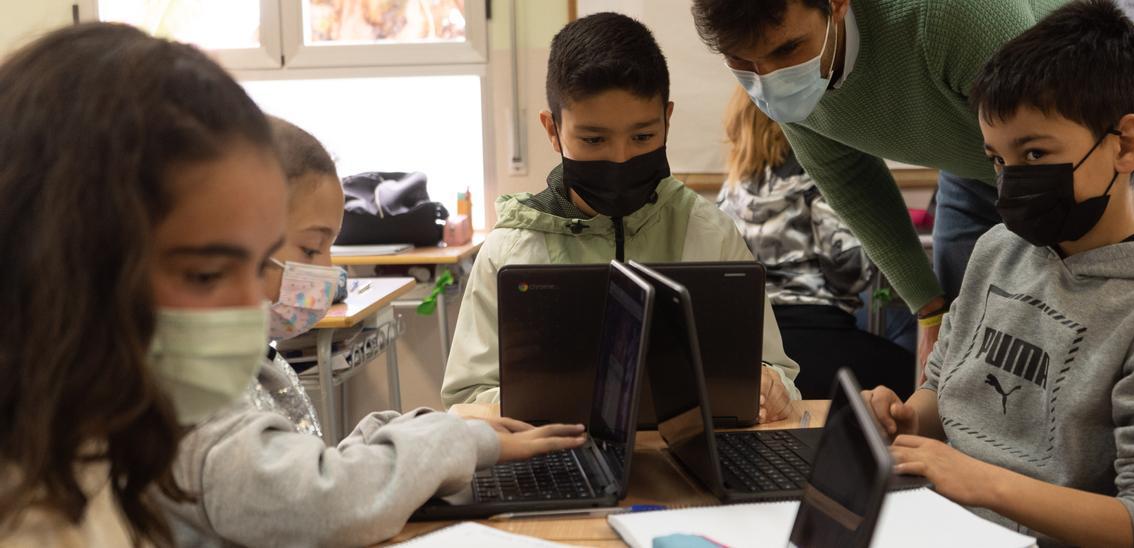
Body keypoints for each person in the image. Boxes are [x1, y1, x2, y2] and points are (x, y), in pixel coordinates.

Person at [861, 3, 1134, 546]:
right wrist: (904, 420)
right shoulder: (997, 251)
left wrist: (984, 482)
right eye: (998, 160)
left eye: (1035, 153)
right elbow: (947, 391)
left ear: (1126, 144)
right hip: (938, 521)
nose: (1011, 183)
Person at [690, 0, 1134, 371]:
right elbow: (848, 180)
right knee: (964, 347)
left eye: (787, 50)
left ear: (837, 5)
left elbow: (1047, 137)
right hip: (982, 153)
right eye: (743, 63)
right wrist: (929, 310)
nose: (769, 77)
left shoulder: (947, 13)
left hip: (1098, 142)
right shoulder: (780, 85)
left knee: (1107, 336)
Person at [160, 117, 587, 546]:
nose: (327, 272)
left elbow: (304, 465)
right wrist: (462, 441)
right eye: (311, 248)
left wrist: (418, 428)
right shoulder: (188, 390)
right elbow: (319, 505)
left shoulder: (247, 359)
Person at [0, 23, 287, 545]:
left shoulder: (87, 451)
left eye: (262, 265)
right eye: (204, 274)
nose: (253, 308)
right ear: (63, 261)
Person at [441, 12, 802, 422]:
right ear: (553, 130)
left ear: (667, 119)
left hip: (685, 469)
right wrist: (544, 404)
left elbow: (777, 373)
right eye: (593, 139)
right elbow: (465, 400)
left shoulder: (707, 233)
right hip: (557, 462)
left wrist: (769, 384)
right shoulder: (511, 249)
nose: (620, 157)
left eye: (643, 136)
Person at [717, 87, 913, 399]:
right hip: (820, 334)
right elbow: (849, 273)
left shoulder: (731, 191)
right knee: (921, 378)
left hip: (756, 347)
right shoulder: (820, 177)